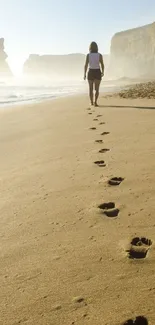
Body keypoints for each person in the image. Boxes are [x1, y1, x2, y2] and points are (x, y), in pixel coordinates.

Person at [84, 42, 104, 107]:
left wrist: (84, 74)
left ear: (90, 48)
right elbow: (102, 64)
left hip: (90, 71)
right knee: (97, 89)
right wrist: (103, 72)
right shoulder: (99, 55)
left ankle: (91, 102)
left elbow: (86, 65)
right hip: (97, 71)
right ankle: (95, 102)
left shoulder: (88, 55)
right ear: (97, 47)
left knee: (90, 89)